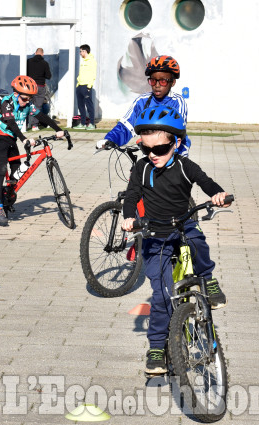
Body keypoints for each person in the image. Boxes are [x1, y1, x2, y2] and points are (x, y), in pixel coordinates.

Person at [120, 105, 230, 375]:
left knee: (197, 242)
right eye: (147, 150)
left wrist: (218, 194)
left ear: (175, 143)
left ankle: (208, 279)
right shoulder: (142, 168)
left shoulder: (184, 166)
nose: (152, 155)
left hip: (182, 224)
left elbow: (205, 182)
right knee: (162, 297)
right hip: (154, 235)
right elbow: (132, 196)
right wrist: (128, 217)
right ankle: (157, 348)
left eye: (159, 149)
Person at [0, 75, 65, 225]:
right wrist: (23, 139)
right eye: (25, 98)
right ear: (16, 94)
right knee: (2, 166)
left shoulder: (28, 104)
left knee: (17, 171)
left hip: (11, 139)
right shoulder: (7, 102)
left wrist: (59, 130)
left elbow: (42, 116)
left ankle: (6, 196)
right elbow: (11, 124)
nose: (27, 101)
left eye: (30, 98)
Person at [96, 55, 192, 157]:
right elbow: (126, 126)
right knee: (138, 171)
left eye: (163, 81)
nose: (157, 85)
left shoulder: (178, 101)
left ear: (173, 82)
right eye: (153, 80)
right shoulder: (142, 101)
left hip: (174, 151)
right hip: (150, 151)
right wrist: (110, 139)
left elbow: (177, 130)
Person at [26, 48, 52, 131]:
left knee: (26, 104)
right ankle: (34, 125)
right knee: (38, 106)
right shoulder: (45, 63)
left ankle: (25, 124)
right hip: (40, 86)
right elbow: (48, 76)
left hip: (29, 86)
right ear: (43, 54)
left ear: (35, 53)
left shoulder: (28, 61)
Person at [75, 44, 97, 130]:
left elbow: (93, 74)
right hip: (80, 86)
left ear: (85, 51)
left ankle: (91, 123)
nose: (80, 53)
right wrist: (78, 84)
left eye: (81, 51)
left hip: (86, 86)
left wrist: (89, 86)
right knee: (80, 105)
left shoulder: (92, 61)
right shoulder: (83, 61)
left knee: (89, 105)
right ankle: (83, 123)